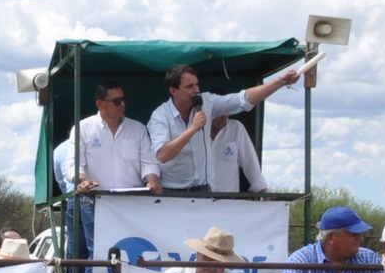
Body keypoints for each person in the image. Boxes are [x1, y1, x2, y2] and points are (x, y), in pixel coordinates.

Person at [148, 63, 301, 191]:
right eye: (189, 86)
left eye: (196, 84)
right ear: (173, 91)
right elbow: (163, 155)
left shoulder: (206, 102)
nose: (196, 90)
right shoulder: (160, 116)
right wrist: (192, 129)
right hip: (173, 192)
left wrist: (279, 82)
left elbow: (243, 100)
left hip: (204, 190)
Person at [72, 82, 161, 258]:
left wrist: (153, 180)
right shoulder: (83, 128)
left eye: (123, 100)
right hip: (96, 201)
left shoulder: (138, 129)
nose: (122, 105)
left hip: (133, 201)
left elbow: (149, 162)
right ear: (100, 103)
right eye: (117, 101)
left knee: (137, 250)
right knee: (97, 253)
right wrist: (83, 181)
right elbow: (74, 164)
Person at [279, 207, 385, 273]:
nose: (360, 238)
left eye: (360, 234)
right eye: (354, 234)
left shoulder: (370, 259)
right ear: (331, 238)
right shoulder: (300, 261)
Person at [205, 114, 269, 194]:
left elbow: (250, 163)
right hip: (199, 200)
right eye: (220, 114)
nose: (224, 118)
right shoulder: (196, 130)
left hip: (228, 200)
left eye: (227, 114)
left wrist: (263, 189)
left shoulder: (236, 128)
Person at [167, 226, 250, 273]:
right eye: (208, 258)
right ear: (198, 253)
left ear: (226, 264)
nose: (212, 266)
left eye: (219, 262)